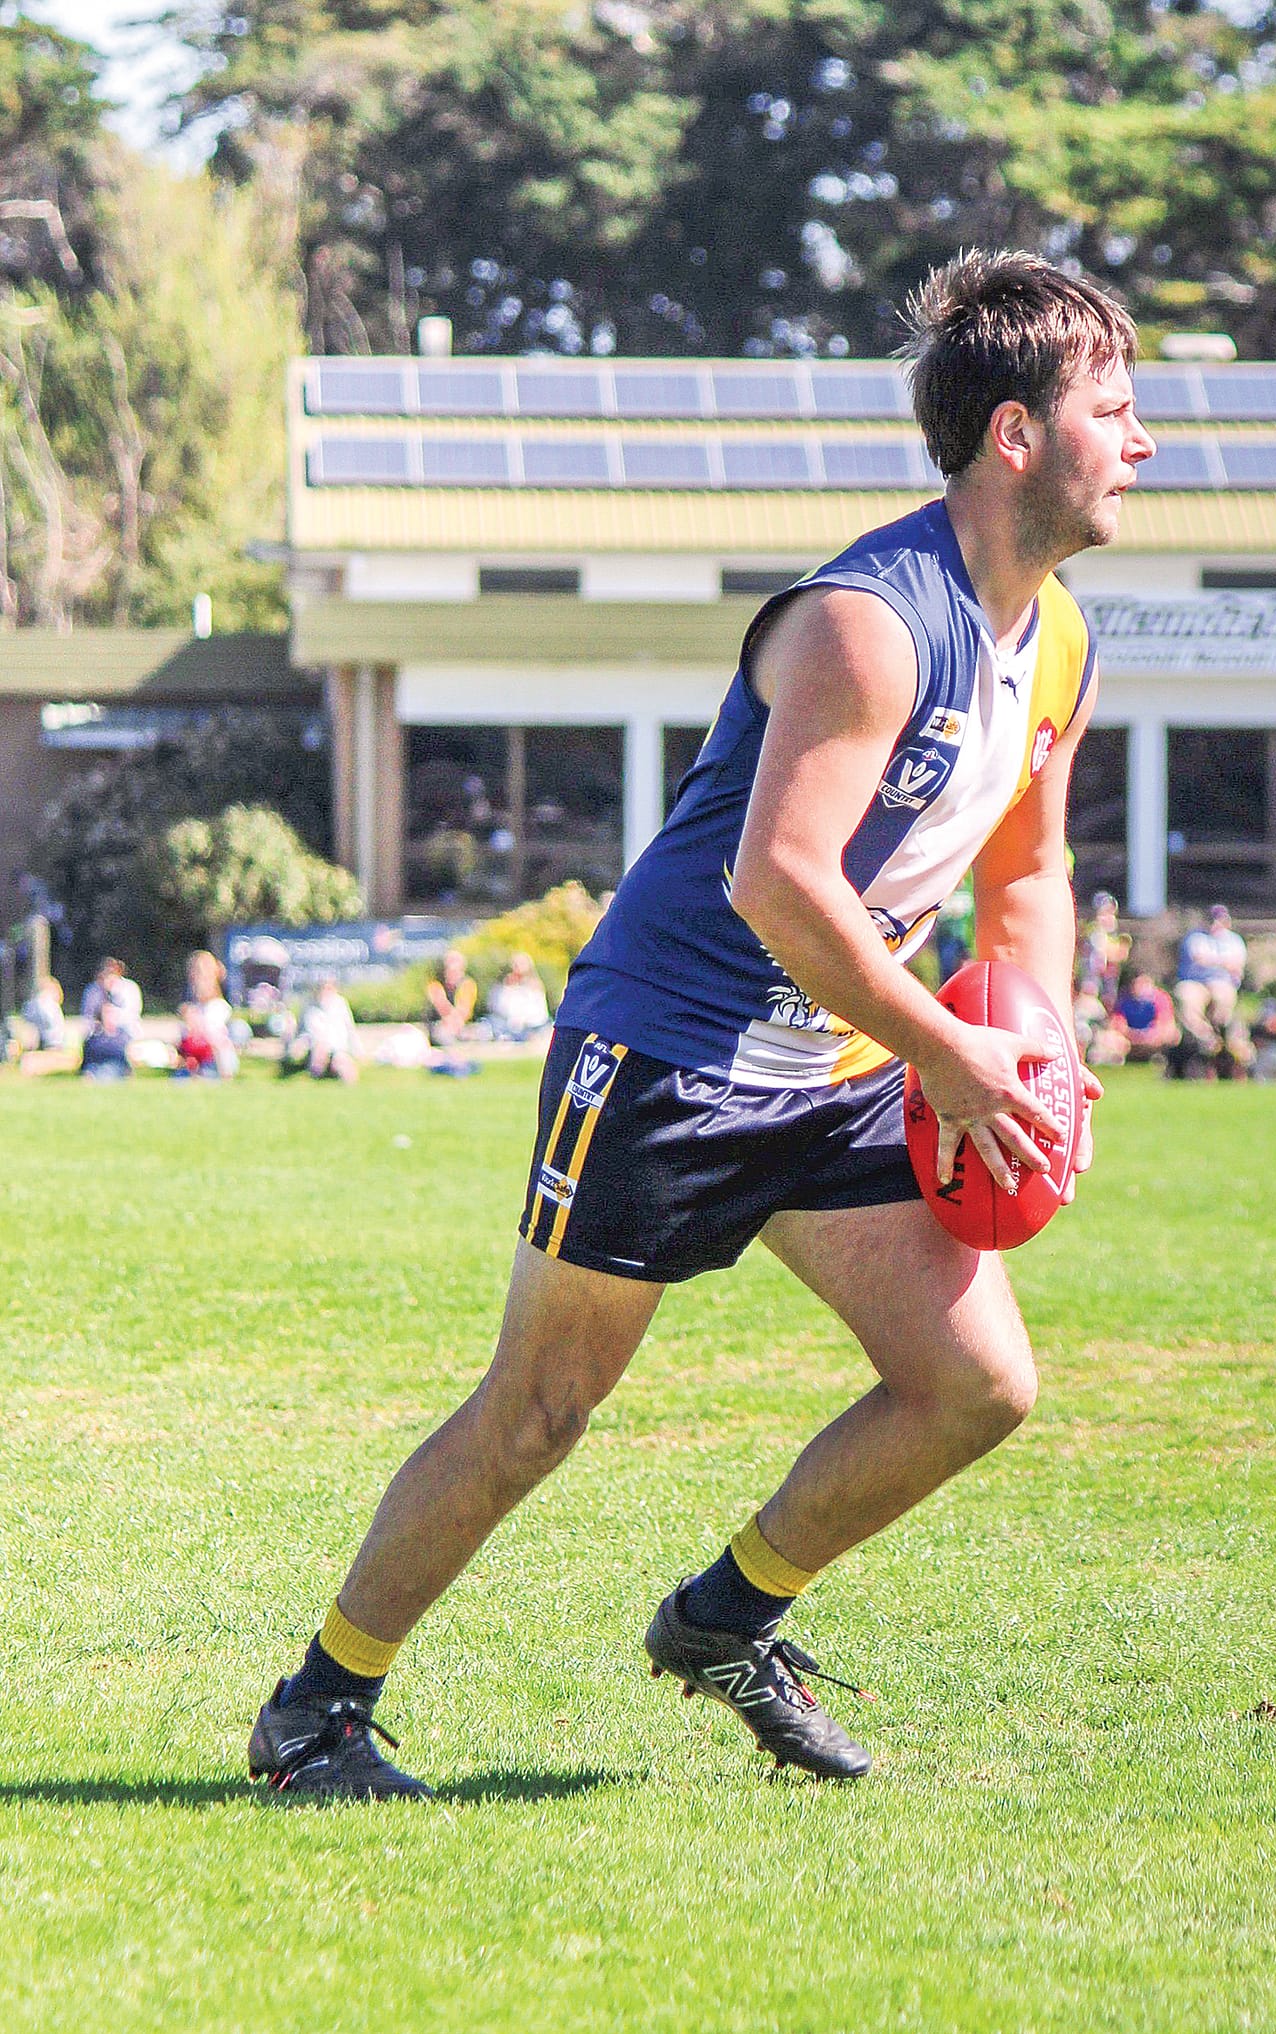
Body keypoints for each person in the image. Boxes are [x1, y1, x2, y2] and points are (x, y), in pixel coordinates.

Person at [248, 250, 1149, 1799]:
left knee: (979, 1384)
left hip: (844, 1053)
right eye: (1117, 411)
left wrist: (1040, 1043)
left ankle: (730, 1614)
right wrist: (945, 1046)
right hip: (673, 1047)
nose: (1142, 444)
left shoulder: (1056, 636)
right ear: (1016, 432)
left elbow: (1033, 872)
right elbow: (777, 880)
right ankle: (316, 1709)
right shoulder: (870, 624)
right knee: (540, 1411)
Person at [1174, 903, 1246, 1039]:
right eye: (1212, 920)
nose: (1215, 924)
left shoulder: (1235, 940)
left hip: (1221, 981)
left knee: (1223, 998)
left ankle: (1221, 1036)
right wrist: (1224, 962)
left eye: (1220, 920)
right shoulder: (1195, 937)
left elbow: (1237, 967)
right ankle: (1205, 1037)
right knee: (1186, 997)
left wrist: (1214, 961)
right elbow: (1199, 958)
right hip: (1195, 981)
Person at [283, 976, 360, 1082]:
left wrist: (356, 1050)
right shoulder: (309, 1005)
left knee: (345, 1069)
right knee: (317, 1053)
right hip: (313, 1045)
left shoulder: (340, 1004)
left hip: (337, 1046)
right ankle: (315, 1075)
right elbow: (303, 1030)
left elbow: (349, 1029)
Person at [177, 950, 239, 1079]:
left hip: (213, 1064)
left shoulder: (218, 1007)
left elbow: (215, 1041)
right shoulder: (191, 1007)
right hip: (194, 1064)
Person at [1099, 970, 1177, 1065]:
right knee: (1110, 1037)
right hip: (1130, 1039)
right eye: (1138, 984)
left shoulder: (1160, 998)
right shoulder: (1125, 1000)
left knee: (1171, 1033)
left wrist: (1149, 1036)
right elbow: (1117, 1023)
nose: (1140, 988)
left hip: (1153, 1039)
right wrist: (1135, 1036)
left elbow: (1164, 1024)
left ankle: (1163, 1059)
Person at [488, 953, 552, 1044]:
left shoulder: (534, 986)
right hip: (507, 1025)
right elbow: (496, 1007)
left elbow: (538, 1014)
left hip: (531, 1026)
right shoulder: (503, 986)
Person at [19, 974, 63, 1051]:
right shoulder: (48, 1004)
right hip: (49, 1040)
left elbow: (26, 1017)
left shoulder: (38, 1003)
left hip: (45, 1040)